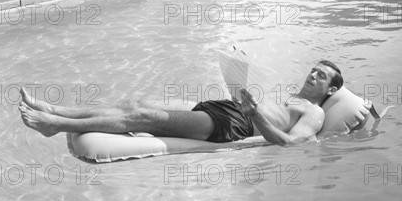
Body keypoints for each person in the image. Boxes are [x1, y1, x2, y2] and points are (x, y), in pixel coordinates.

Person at [19, 60, 344, 146]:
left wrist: (253, 110)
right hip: (229, 110)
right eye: (314, 70)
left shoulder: (314, 112)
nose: (313, 75)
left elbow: (288, 142)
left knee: (146, 117)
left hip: (237, 123)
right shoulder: (291, 97)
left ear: (330, 90)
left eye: (322, 76)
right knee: (136, 102)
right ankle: (56, 110)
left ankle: (56, 126)